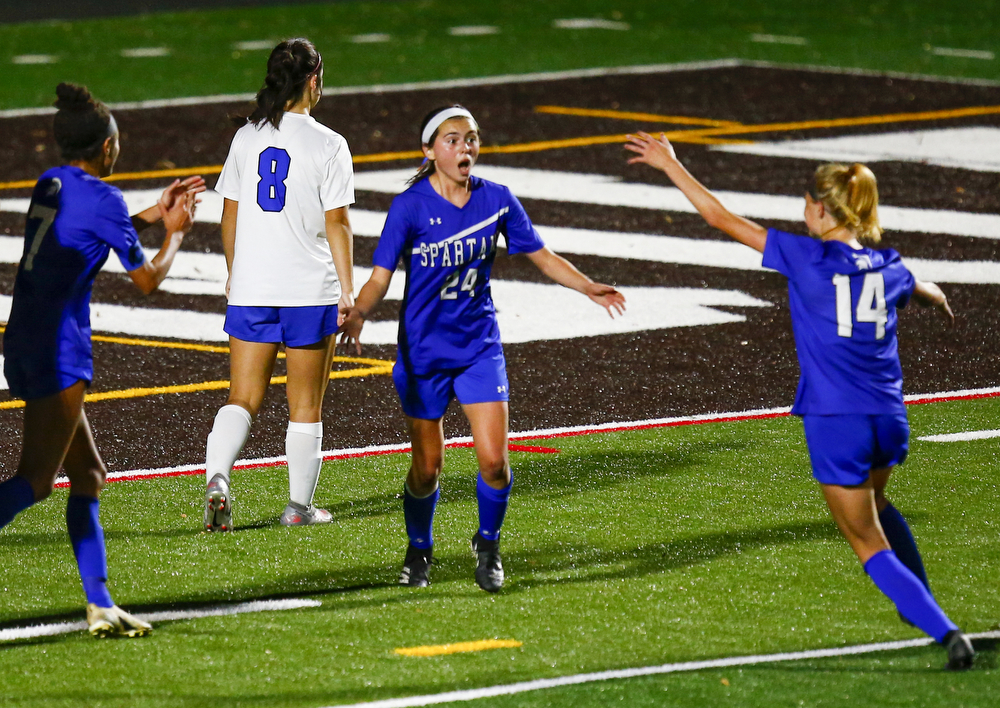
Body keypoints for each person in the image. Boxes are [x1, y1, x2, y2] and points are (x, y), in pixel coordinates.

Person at [625, 131, 975, 670]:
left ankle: (943, 628)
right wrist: (935, 292)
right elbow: (919, 286)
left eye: (806, 204)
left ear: (820, 209)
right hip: (890, 416)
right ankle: (920, 603)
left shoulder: (806, 256)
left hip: (838, 420)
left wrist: (671, 164)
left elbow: (719, 218)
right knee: (877, 506)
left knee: (865, 541)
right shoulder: (891, 265)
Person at [340, 105, 626, 592]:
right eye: (452, 140)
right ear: (429, 151)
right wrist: (360, 312)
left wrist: (587, 287)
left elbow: (542, 255)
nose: (464, 148)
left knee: (494, 461)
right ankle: (419, 547)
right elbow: (379, 278)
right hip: (423, 355)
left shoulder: (497, 199)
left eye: (471, 138)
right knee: (427, 469)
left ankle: (488, 544)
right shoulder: (408, 206)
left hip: (478, 348)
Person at [0, 83, 203, 638]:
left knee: (88, 473)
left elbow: (91, 230)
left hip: (21, 338)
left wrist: (153, 214)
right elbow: (146, 281)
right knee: (37, 480)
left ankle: (100, 604)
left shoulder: (52, 183)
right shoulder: (103, 199)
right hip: (58, 348)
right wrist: (176, 235)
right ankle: (99, 603)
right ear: (107, 148)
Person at [203, 38, 355, 532]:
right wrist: (348, 291)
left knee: (241, 397)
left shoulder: (247, 138)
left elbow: (230, 214)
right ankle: (298, 508)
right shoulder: (329, 143)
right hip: (308, 291)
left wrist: (235, 273)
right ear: (314, 81)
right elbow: (338, 225)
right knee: (305, 404)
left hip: (252, 287)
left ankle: (218, 479)